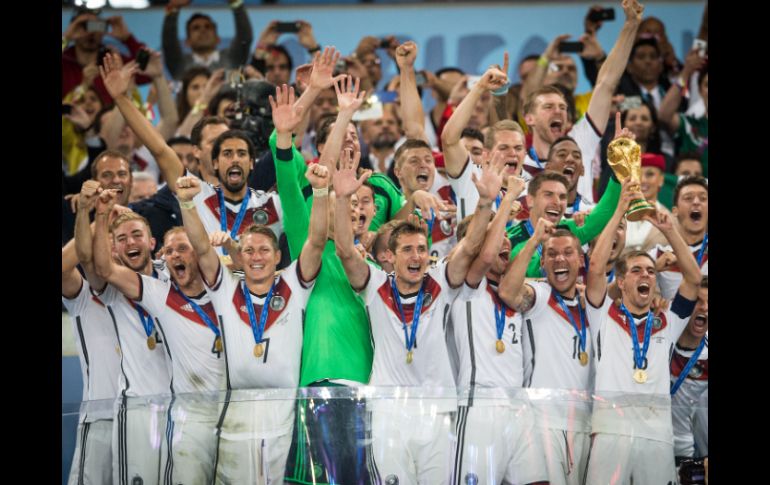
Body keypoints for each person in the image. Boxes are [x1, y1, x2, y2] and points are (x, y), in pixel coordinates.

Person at [334, 146, 505, 483]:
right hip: (388, 410)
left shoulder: (440, 283)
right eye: (408, 250)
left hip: (437, 410)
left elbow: (470, 247)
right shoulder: (375, 286)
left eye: (422, 250)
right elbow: (344, 250)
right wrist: (341, 199)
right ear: (390, 257)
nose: (416, 257)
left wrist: (486, 202)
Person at [176, 154, 327, 482]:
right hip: (236, 416)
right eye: (249, 251)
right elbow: (202, 249)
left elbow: (316, 242)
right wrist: (187, 205)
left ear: (277, 255)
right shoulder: (225, 288)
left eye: (263, 250)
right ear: (239, 257)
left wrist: (321, 193)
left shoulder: (294, 284)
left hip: (285, 414)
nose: (256, 257)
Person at [93, 186, 226, 484]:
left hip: (219, 412)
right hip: (174, 416)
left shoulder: (221, 289)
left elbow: (257, 275)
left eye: (182, 248)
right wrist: (101, 216)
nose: (174, 255)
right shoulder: (160, 294)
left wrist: (231, 251)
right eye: (169, 251)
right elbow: (104, 269)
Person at [100, 53, 284, 257]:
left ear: (252, 162)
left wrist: (306, 97)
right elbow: (159, 149)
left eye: (241, 153)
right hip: (209, 277)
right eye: (225, 151)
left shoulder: (271, 202)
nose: (234, 159)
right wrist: (121, 99)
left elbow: (287, 147)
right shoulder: (197, 194)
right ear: (215, 161)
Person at [583, 185, 702, 483]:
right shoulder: (602, 316)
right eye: (636, 271)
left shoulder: (668, 321)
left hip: (657, 434)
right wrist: (619, 212)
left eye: (650, 271)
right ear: (622, 282)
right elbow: (596, 267)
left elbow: (693, 278)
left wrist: (669, 231)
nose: (646, 275)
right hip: (610, 431)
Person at [449, 177, 548, 485]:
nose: (504, 241)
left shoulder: (515, 292)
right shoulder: (465, 287)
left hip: (519, 405)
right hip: (478, 404)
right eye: (495, 235)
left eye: (506, 235)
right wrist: (509, 198)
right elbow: (486, 256)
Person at [89, 201, 172, 485]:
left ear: (152, 242)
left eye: (137, 235)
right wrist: (100, 216)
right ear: (113, 249)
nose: (131, 243)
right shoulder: (111, 287)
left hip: (179, 404)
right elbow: (95, 262)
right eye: (122, 239)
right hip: (136, 408)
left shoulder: (172, 277)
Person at [63, 180, 122, 485]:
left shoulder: (148, 291)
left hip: (146, 416)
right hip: (100, 418)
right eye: (105, 241)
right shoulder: (84, 295)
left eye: (116, 241)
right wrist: (97, 219)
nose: (110, 248)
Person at [161, 0, 253, 80]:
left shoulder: (233, 58)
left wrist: (236, 3)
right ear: (187, 42)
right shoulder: (179, 64)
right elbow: (169, 44)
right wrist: (173, 9)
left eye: (208, 27)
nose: (203, 30)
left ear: (218, 39)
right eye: (196, 28)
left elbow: (245, 37)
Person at [670, 276, 708, 460]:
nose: (705, 308)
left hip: (688, 454)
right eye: (698, 301)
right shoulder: (659, 340)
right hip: (649, 443)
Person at [652, 176, 708, 300]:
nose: (696, 202)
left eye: (703, 198)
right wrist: (653, 269)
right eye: (688, 198)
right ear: (675, 211)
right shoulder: (658, 254)